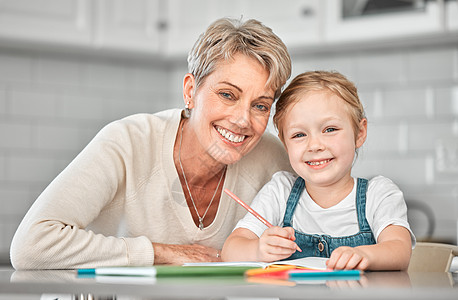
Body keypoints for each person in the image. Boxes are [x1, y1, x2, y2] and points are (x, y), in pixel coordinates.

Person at [10, 17, 293, 269]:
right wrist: (160, 252)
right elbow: (31, 244)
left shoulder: (271, 158)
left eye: (260, 105)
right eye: (228, 95)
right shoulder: (127, 142)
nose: (243, 120)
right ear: (191, 91)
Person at [221, 71, 415, 271]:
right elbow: (230, 250)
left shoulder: (379, 194)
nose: (314, 145)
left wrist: (364, 254)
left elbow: (400, 250)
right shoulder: (281, 191)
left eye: (330, 129)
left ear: (359, 132)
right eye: (299, 134)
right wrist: (258, 249)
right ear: (285, 143)